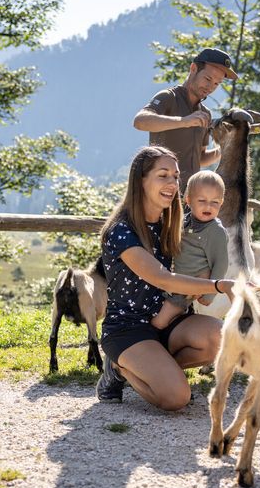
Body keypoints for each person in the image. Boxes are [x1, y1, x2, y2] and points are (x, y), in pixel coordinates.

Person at [96, 146, 235, 410]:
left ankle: (158, 368)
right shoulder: (121, 231)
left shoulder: (173, 224)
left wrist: (204, 275)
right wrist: (219, 285)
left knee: (221, 338)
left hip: (169, 321)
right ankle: (119, 367)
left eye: (176, 176)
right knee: (176, 398)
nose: (172, 183)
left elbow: (197, 257)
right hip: (128, 329)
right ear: (141, 180)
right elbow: (162, 278)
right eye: (163, 175)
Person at [132, 47, 238, 190]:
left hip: (189, 196)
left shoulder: (205, 113)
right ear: (193, 68)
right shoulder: (168, 97)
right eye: (208, 79)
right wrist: (184, 121)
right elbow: (140, 121)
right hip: (159, 191)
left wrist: (227, 147)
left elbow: (201, 158)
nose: (210, 87)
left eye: (216, 84)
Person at [149, 170, 229, 329]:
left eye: (215, 202)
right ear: (188, 200)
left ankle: (160, 344)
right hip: (173, 280)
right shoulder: (185, 221)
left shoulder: (215, 231)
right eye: (202, 200)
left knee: (159, 322)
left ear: (221, 202)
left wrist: (209, 293)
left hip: (187, 286)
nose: (208, 206)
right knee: (161, 315)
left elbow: (221, 264)